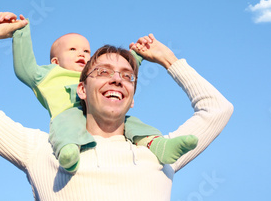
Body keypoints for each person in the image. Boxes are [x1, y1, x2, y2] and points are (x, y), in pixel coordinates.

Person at [0, 12, 233, 201]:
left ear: (132, 98)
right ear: (81, 89)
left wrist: (169, 60)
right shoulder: (42, 149)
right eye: (103, 72)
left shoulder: (157, 151)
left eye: (127, 76)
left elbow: (218, 109)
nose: (117, 79)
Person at [10, 15, 198, 173]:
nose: (81, 54)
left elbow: (122, 74)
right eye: (73, 49)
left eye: (86, 50)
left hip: (102, 118)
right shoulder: (48, 74)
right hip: (68, 117)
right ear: (55, 61)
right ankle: (68, 150)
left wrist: (137, 55)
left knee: (132, 123)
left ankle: (159, 146)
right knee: (65, 124)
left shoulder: (96, 74)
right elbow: (24, 67)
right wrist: (21, 32)